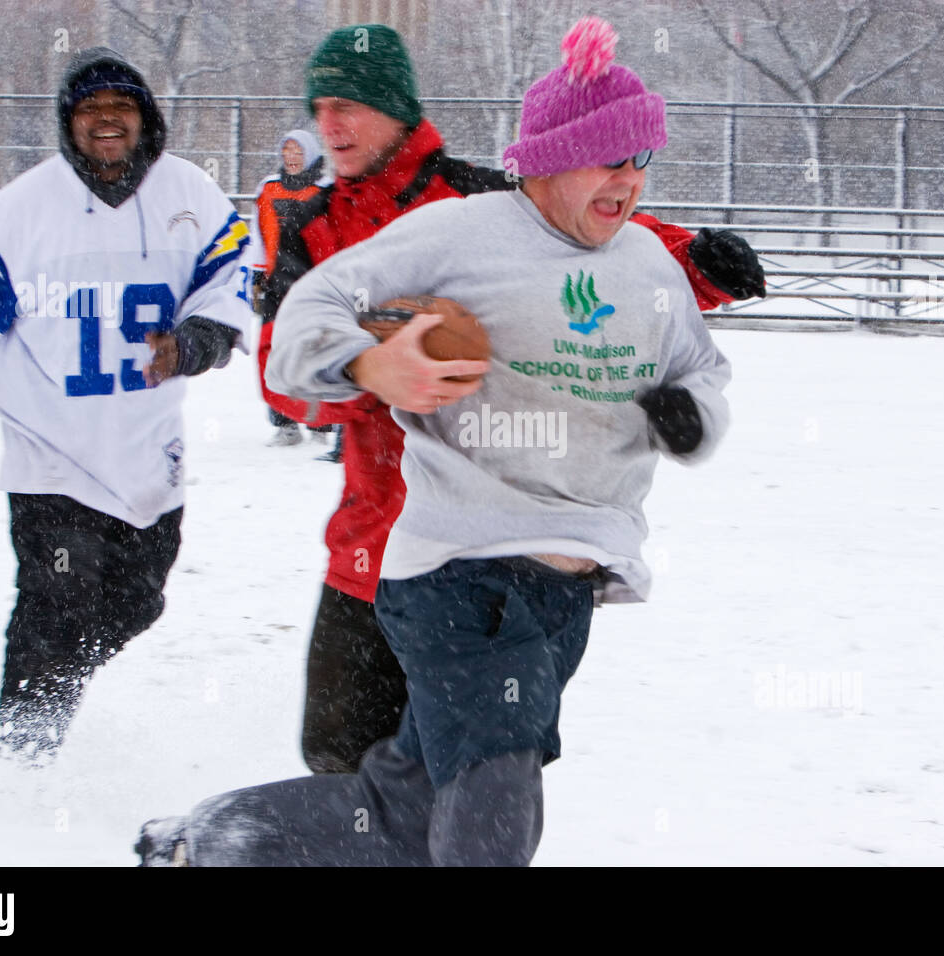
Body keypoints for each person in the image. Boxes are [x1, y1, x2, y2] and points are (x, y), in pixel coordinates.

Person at [136, 16, 731, 866]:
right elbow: (304, 318)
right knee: (494, 793)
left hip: (570, 586)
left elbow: (702, 371)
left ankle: (209, 838)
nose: (628, 181)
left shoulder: (644, 263)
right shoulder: (459, 232)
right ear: (552, 158)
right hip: (459, 570)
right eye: (609, 158)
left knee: (406, 807)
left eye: (641, 161)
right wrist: (373, 367)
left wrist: (692, 414)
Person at [255, 23, 765, 777]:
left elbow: (593, 253)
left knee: (470, 775)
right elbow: (283, 368)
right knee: (346, 759)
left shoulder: (474, 194)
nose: (331, 124)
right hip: (377, 534)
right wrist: (373, 371)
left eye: (353, 104)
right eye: (321, 104)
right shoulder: (312, 226)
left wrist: (699, 262)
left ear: (398, 110)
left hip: (500, 549)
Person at [0, 47, 254, 764]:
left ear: (146, 120)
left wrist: (194, 343)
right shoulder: (21, 210)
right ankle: (21, 748)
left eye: (121, 110)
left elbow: (230, 286)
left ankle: (52, 689)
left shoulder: (190, 196)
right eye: (90, 111)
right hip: (49, 454)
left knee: (138, 605)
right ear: (68, 125)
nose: (107, 123)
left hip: (147, 456)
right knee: (56, 603)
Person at [247, 128, 336, 450]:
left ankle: (322, 421)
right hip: (276, 287)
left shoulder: (327, 190)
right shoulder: (268, 189)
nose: (291, 157)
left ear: (310, 154)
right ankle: (284, 422)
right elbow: (258, 235)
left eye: (298, 150)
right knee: (275, 356)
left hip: (315, 287)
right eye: (287, 150)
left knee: (316, 353)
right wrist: (256, 275)